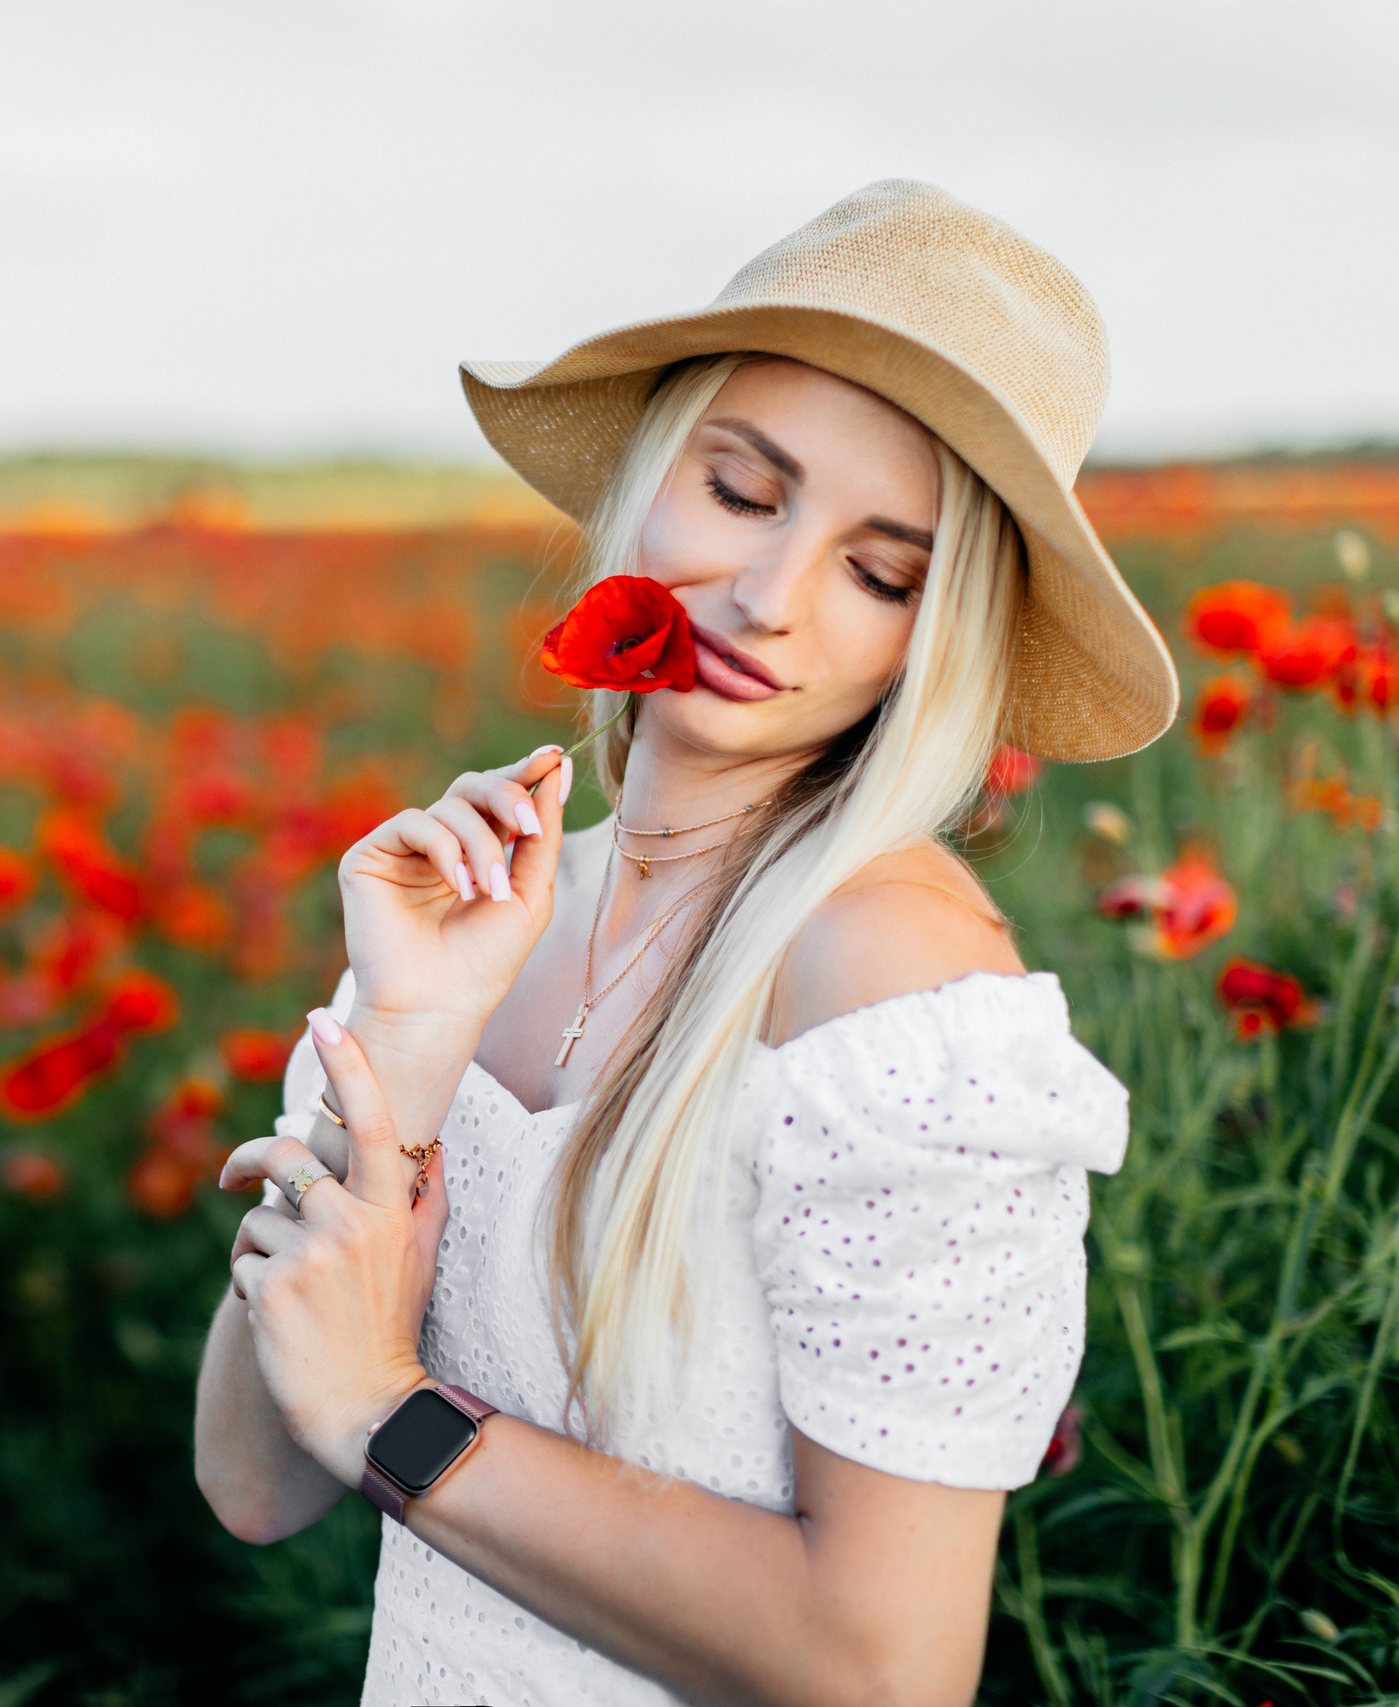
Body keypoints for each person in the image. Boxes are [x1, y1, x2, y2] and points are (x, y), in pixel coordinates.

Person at [191, 180, 1177, 1706]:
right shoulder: (485, 916)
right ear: (651, 476)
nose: (770, 595)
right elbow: (258, 1482)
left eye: (880, 572)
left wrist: (399, 1415)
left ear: (938, 637)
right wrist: (402, 1044)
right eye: (742, 488)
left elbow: (885, 1668)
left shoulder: (900, 1003)